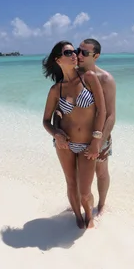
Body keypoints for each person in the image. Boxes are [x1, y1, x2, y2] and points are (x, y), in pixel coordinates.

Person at [41, 40, 107, 229]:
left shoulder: (89, 78)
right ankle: (78, 216)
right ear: (58, 59)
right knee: (71, 183)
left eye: (75, 52)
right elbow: (45, 121)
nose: (74, 55)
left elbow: (102, 111)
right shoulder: (56, 89)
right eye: (69, 52)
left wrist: (97, 140)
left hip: (87, 145)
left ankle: (89, 214)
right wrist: (57, 134)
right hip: (65, 145)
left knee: (85, 191)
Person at [76, 38, 116, 216]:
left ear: (96, 56)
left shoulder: (105, 79)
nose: (79, 55)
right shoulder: (75, 75)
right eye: (79, 51)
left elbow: (110, 115)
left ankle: (101, 205)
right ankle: (83, 203)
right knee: (81, 174)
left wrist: (99, 141)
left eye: (85, 53)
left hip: (100, 136)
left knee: (101, 171)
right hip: (78, 136)